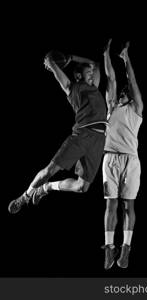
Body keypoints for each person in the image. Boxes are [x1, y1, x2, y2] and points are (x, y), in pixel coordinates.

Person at [8, 51, 107, 214]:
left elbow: (94, 64)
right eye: (88, 73)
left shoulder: (94, 87)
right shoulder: (72, 88)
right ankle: (25, 196)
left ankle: (47, 188)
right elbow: (51, 62)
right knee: (49, 171)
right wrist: (53, 64)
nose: (92, 74)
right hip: (81, 135)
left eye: (91, 73)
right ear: (78, 76)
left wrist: (73, 57)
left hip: (98, 140)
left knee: (82, 187)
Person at [101, 39, 143, 269]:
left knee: (129, 206)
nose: (121, 95)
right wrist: (106, 55)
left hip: (131, 161)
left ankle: (125, 248)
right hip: (111, 159)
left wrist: (126, 59)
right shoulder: (112, 107)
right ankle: (109, 248)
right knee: (110, 205)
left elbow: (131, 81)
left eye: (125, 93)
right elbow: (111, 79)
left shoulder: (136, 109)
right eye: (120, 94)